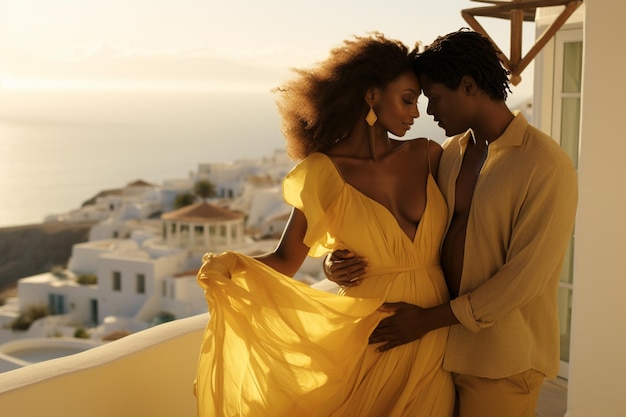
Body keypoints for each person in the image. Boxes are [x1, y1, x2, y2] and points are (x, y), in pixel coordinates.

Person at [194, 32, 454, 417]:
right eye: (407, 99)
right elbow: (286, 260)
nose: (416, 113)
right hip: (373, 332)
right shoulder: (322, 173)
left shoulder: (429, 155)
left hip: (435, 327)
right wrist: (229, 266)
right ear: (370, 95)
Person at [324, 29, 578, 417]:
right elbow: (395, 226)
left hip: (501, 360)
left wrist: (425, 320)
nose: (428, 112)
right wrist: (334, 262)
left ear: (469, 86)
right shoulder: (450, 153)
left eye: (435, 98)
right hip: (440, 349)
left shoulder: (544, 164)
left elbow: (524, 279)